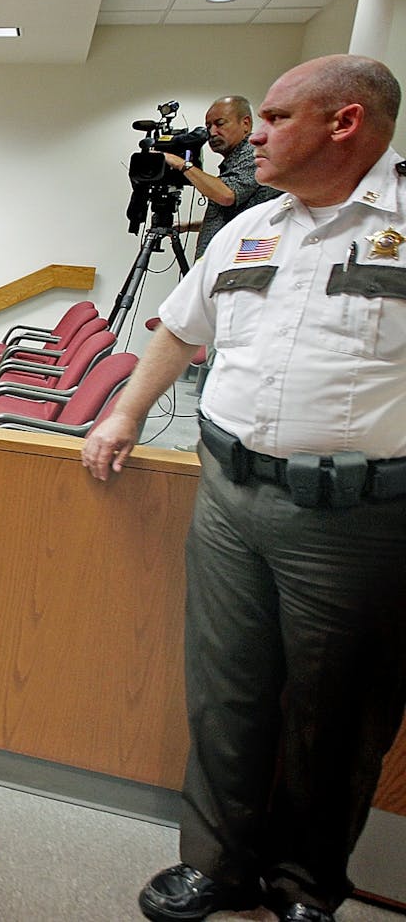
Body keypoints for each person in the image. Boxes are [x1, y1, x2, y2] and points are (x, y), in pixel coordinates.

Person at [82, 54, 406, 922]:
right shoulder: (249, 229)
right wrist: (121, 415)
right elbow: (181, 329)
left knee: (335, 714)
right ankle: (217, 867)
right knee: (225, 690)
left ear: (345, 124)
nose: (249, 136)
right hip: (230, 496)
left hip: (358, 515)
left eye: (273, 118)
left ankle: (307, 886)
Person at [164, 95, 281, 259]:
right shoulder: (235, 159)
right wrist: (192, 226)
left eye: (220, 124)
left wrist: (180, 164)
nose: (212, 132)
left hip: (240, 265)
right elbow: (237, 215)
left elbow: (227, 195)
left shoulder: (254, 151)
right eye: (208, 126)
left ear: (245, 124)